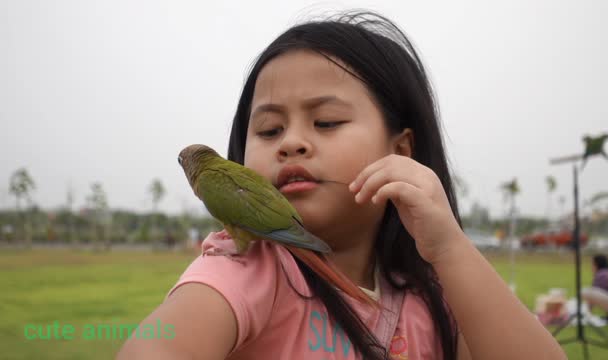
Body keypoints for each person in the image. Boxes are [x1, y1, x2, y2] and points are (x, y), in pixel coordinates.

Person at [118, 11, 565, 359]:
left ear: (402, 150)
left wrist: (450, 249)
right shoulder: (244, 267)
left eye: (326, 121)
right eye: (270, 131)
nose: (291, 142)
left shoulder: (439, 293)